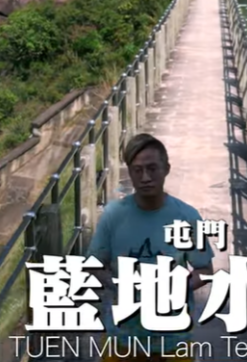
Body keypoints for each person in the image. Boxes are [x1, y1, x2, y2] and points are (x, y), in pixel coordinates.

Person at [87, 133, 215, 362]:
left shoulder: (187, 217)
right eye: (137, 170)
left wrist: (173, 288)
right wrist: (119, 283)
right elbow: (94, 264)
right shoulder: (113, 215)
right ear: (130, 172)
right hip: (122, 336)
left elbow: (205, 270)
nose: (145, 177)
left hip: (173, 338)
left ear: (166, 169)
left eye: (152, 168)